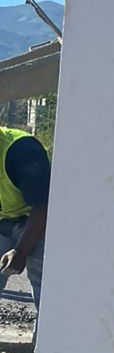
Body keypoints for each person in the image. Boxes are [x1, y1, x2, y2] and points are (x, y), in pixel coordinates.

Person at [0, 124, 51, 307]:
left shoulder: (23, 152)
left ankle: (49, 334)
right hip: (4, 221)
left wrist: (21, 251)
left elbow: (43, 206)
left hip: (40, 220)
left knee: (45, 285)